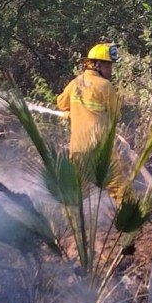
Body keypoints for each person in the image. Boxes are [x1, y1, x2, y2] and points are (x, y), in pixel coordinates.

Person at [56, 42, 126, 203]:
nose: (111, 69)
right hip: (100, 148)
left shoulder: (76, 83)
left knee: (77, 194)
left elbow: (61, 103)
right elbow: (116, 117)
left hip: (78, 149)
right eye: (108, 65)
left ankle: (68, 225)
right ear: (97, 65)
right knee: (121, 188)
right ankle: (132, 223)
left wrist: (71, 113)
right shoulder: (105, 86)